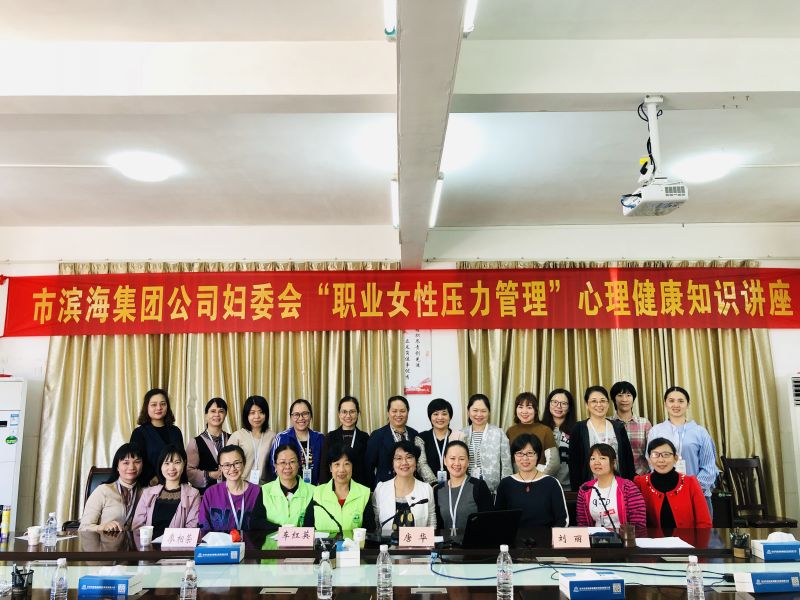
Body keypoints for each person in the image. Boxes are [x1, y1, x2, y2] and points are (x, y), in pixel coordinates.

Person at [646, 386, 719, 516]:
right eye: (671, 401)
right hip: (665, 494)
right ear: (665, 403)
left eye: (681, 401)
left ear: (688, 404)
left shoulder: (700, 432)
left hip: (697, 494)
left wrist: (692, 489)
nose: (676, 405)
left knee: (701, 528)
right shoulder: (656, 431)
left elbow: (709, 467)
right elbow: (652, 462)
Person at [635, 438, 712, 529]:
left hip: (687, 538)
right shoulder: (640, 483)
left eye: (666, 455)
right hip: (652, 538)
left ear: (675, 458)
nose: (661, 460)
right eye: (655, 455)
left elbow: (704, 523)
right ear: (649, 459)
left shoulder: (690, 482)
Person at [569, 386, 635, 490]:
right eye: (594, 401)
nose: (599, 404)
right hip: (591, 489)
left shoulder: (618, 427)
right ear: (586, 404)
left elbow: (628, 460)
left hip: (618, 488)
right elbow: (574, 465)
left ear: (608, 404)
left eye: (603, 401)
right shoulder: (579, 429)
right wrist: (578, 491)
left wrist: (629, 487)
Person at [495, 434, 568, 528]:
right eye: (519, 453)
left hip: (546, 536)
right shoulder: (505, 484)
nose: (525, 458)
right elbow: (498, 519)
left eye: (530, 453)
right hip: (514, 536)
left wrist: (549, 536)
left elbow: (563, 520)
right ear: (514, 456)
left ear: (537, 455)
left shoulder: (552, 483)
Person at [304, 445, 374, 535]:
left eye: (346, 464)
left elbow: (370, 532)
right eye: (337, 464)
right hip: (323, 544)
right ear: (330, 468)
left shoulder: (364, 493)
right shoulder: (318, 493)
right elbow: (307, 529)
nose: (341, 470)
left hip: (355, 544)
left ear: (352, 467)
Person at [198, 444, 270, 532]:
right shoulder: (211, 493)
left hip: (251, 541)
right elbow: (204, 526)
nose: (232, 469)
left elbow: (263, 524)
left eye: (237, 463)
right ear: (220, 468)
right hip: (218, 541)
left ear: (244, 463)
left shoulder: (257, 492)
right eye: (226, 465)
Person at [365, 395, 433, 487]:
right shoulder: (377, 436)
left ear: (408, 412)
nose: (398, 415)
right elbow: (368, 467)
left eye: (402, 411)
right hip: (386, 487)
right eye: (394, 411)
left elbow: (418, 463)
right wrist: (373, 489)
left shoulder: (414, 434)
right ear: (388, 412)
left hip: (411, 486)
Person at [132, 445, 200, 535]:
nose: (171, 468)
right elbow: (137, 527)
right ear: (161, 465)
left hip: (177, 544)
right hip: (149, 543)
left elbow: (192, 530)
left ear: (184, 463)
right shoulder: (148, 493)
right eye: (167, 463)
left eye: (177, 462)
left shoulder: (193, 494)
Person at [373, 440, 436, 536]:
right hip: (387, 544)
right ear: (392, 463)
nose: (404, 462)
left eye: (409, 457)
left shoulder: (426, 489)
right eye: (399, 458)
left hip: (419, 544)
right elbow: (376, 524)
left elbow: (431, 524)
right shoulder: (381, 489)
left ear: (416, 462)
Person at [576, 443, 646, 528]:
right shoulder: (585, 489)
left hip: (623, 535)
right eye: (593, 458)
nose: (596, 462)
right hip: (594, 536)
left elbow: (639, 524)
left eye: (602, 458)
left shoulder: (628, 487)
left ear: (613, 462)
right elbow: (582, 523)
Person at [80, 443, 144, 532]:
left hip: (136, 541)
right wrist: (103, 527)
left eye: (137, 462)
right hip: (105, 540)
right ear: (117, 466)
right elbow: (83, 528)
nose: (131, 467)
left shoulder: (146, 493)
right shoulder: (103, 490)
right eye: (126, 463)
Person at [433, 441, 493, 530]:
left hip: (473, 538)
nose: (457, 463)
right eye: (452, 458)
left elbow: (489, 521)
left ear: (468, 461)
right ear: (445, 461)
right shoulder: (438, 490)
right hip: (446, 539)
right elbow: (438, 524)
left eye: (461, 459)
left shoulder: (479, 486)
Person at [130, 388, 185, 485]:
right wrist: (155, 479)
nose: (159, 408)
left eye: (163, 404)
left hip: (175, 483)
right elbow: (136, 461)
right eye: (154, 405)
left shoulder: (175, 431)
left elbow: (182, 458)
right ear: (146, 407)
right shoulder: (139, 433)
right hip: (149, 484)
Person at [461, 394, 512, 494]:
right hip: (466, 490)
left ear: (489, 412)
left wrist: (504, 491)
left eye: (483, 411)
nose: (479, 414)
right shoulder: (462, 434)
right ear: (468, 411)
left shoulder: (498, 433)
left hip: (493, 491)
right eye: (475, 410)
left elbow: (506, 467)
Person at [269, 399, 325, 485]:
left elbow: (325, 467)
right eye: (296, 414)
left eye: (305, 414)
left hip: (315, 489)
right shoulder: (281, 438)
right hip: (289, 489)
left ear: (311, 416)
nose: (301, 418)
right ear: (291, 417)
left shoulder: (320, 438)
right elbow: (273, 466)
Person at [505, 392, 560, 477]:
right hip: (517, 479)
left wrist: (537, 478)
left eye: (529, 407)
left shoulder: (545, 430)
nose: (524, 411)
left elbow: (554, 463)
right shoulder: (510, 431)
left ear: (535, 410)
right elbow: (507, 461)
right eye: (520, 407)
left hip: (540, 478)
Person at [319, 396, 370, 487]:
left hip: (359, 488)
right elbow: (324, 467)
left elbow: (368, 468)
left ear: (358, 413)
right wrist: (325, 489)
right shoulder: (330, 437)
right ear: (339, 414)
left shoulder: (365, 437)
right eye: (344, 412)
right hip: (335, 489)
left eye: (352, 412)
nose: (348, 416)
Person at [262, 444, 315, 527]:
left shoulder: (314, 491)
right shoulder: (264, 491)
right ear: (275, 466)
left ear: (299, 464)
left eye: (292, 462)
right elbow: (258, 522)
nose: (287, 466)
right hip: (272, 536)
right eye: (282, 462)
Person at [417, 398, 466, 486]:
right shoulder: (421, 438)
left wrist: (453, 484)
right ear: (430, 417)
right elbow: (421, 464)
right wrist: (434, 484)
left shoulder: (459, 436)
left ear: (450, 417)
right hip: (429, 487)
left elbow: (463, 462)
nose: (440, 417)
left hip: (455, 486)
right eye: (436, 414)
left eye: (444, 414)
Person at [186, 397, 231, 491]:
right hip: (205, 493)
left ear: (225, 415)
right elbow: (189, 471)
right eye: (213, 411)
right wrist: (210, 474)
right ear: (206, 415)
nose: (217, 414)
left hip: (230, 491)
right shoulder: (195, 442)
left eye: (221, 411)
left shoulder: (232, 439)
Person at [229, 395, 276, 485]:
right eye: (252, 413)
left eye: (261, 412)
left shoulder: (273, 437)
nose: (257, 416)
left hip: (265, 486)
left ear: (266, 414)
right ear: (246, 415)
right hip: (241, 485)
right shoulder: (237, 436)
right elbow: (227, 463)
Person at [610, 381, 652, 476]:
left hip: (640, 475)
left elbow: (651, 451)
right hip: (614, 476)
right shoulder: (608, 423)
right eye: (620, 395)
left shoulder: (644, 423)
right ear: (614, 399)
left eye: (628, 395)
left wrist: (639, 474)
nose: (624, 399)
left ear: (633, 398)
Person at [541, 388, 577, 491]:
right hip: (543, 485)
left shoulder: (577, 429)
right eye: (555, 402)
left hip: (569, 488)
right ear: (549, 404)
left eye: (564, 403)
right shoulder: (539, 428)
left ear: (569, 408)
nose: (558, 406)